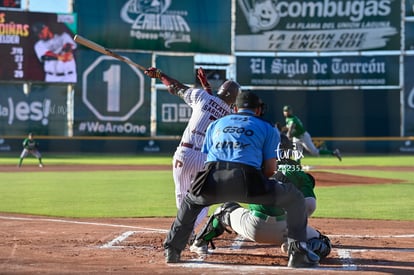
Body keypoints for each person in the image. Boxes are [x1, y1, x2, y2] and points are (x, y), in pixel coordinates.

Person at [162, 91, 320, 268]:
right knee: (294, 198)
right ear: (258, 109)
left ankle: (172, 250)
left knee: (190, 203)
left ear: (235, 108)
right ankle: (297, 254)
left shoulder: (217, 124)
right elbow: (269, 170)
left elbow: (208, 157)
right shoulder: (268, 127)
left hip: (212, 176)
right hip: (247, 178)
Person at [190, 135, 332, 260]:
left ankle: (200, 243)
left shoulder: (255, 165)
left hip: (252, 226)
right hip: (285, 229)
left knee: (225, 209)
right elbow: (310, 205)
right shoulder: (297, 172)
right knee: (323, 242)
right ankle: (296, 248)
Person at [144, 67, 240, 230]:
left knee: (182, 196)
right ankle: (187, 230)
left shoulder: (202, 97)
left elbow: (176, 87)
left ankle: (183, 229)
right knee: (204, 199)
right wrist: (207, 88)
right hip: (206, 160)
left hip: (185, 154)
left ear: (220, 90)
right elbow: (218, 108)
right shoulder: (231, 116)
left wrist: (161, 75)